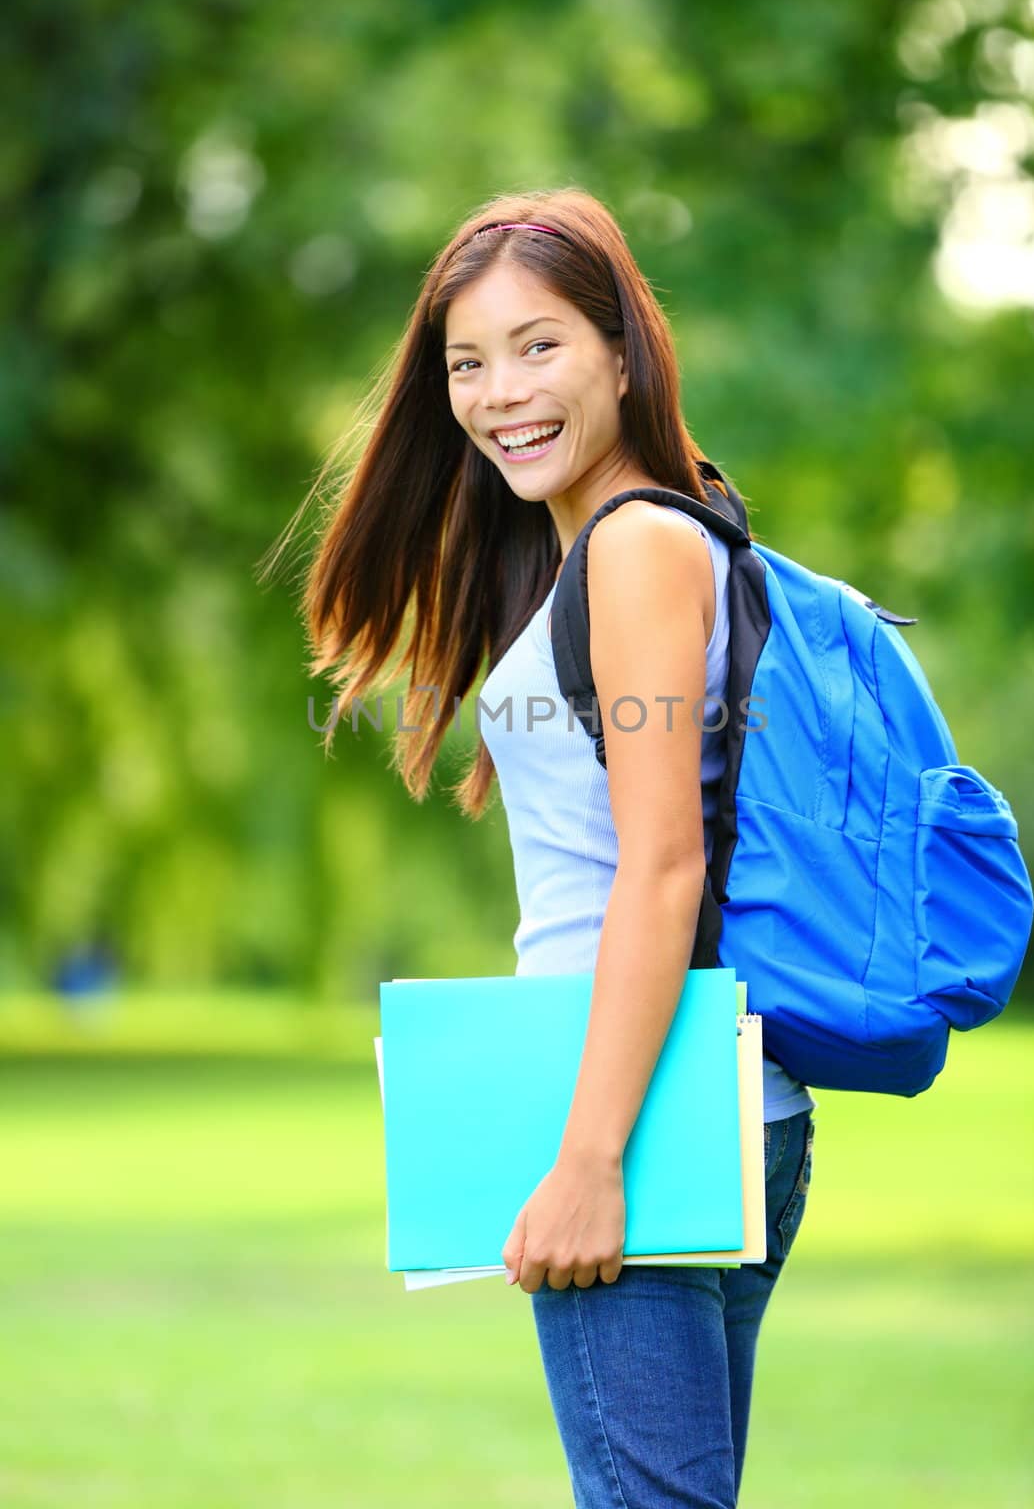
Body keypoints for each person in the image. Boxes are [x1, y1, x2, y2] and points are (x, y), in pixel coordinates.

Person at [276, 188, 816, 1509]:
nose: (497, 391)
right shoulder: (636, 539)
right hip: (703, 1099)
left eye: (539, 346)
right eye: (467, 361)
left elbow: (663, 865)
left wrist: (586, 1164)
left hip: (633, 1118)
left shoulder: (634, 549)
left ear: (622, 354)